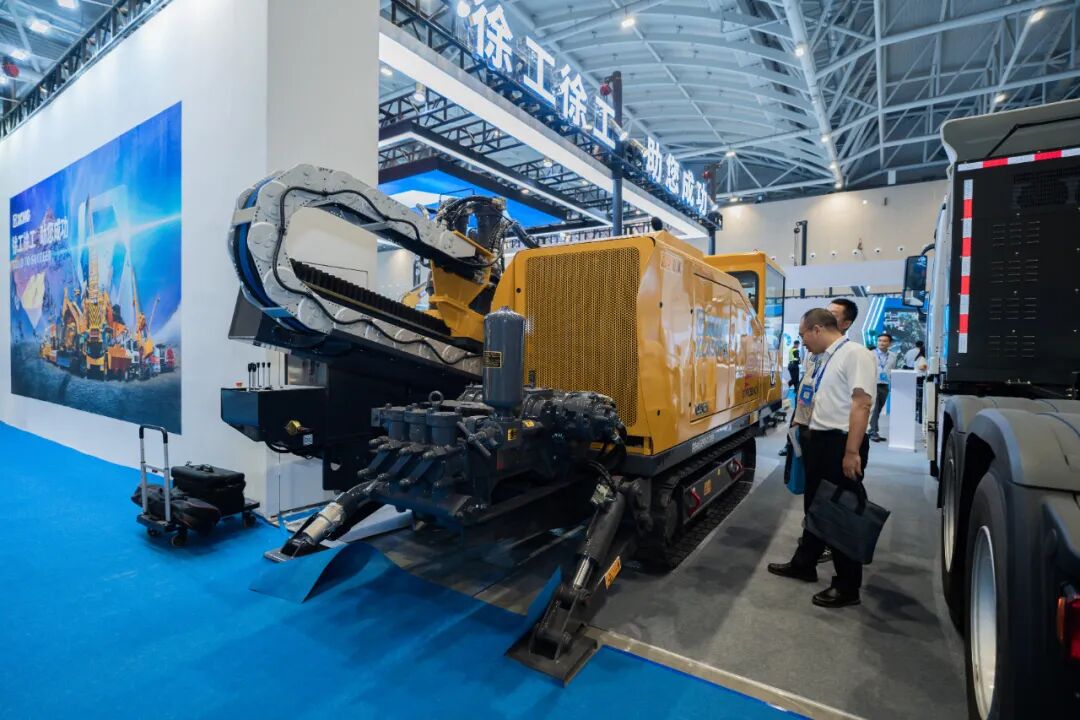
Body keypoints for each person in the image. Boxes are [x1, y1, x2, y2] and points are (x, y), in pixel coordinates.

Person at [768, 308, 877, 607]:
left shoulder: (855, 354)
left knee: (841, 512)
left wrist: (852, 451)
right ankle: (804, 563)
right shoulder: (820, 358)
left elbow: (861, 404)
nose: (801, 340)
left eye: (803, 334)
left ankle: (847, 586)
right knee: (815, 506)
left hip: (841, 443)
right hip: (817, 440)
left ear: (817, 330)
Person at [869, 333, 900, 442]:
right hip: (872, 384)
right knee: (874, 409)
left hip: (885, 384)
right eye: (880, 340)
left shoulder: (893, 356)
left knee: (878, 410)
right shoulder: (870, 354)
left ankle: (871, 430)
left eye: (884, 341)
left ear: (889, 343)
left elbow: (893, 369)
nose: (881, 343)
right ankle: (873, 432)